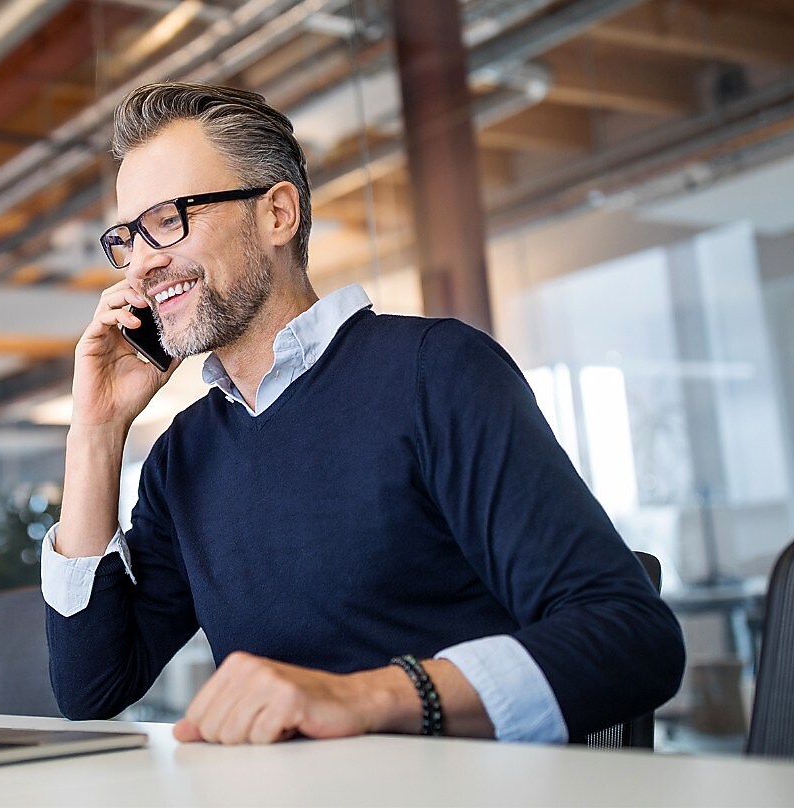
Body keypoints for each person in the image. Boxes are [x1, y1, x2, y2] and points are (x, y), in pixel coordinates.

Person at [41, 82, 685, 745]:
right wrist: (95, 432)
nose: (143, 263)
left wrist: (367, 697)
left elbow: (632, 637)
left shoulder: (436, 372)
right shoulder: (186, 454)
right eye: (127, 237)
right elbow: (92, 688)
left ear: (277, 215)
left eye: (170, 219)